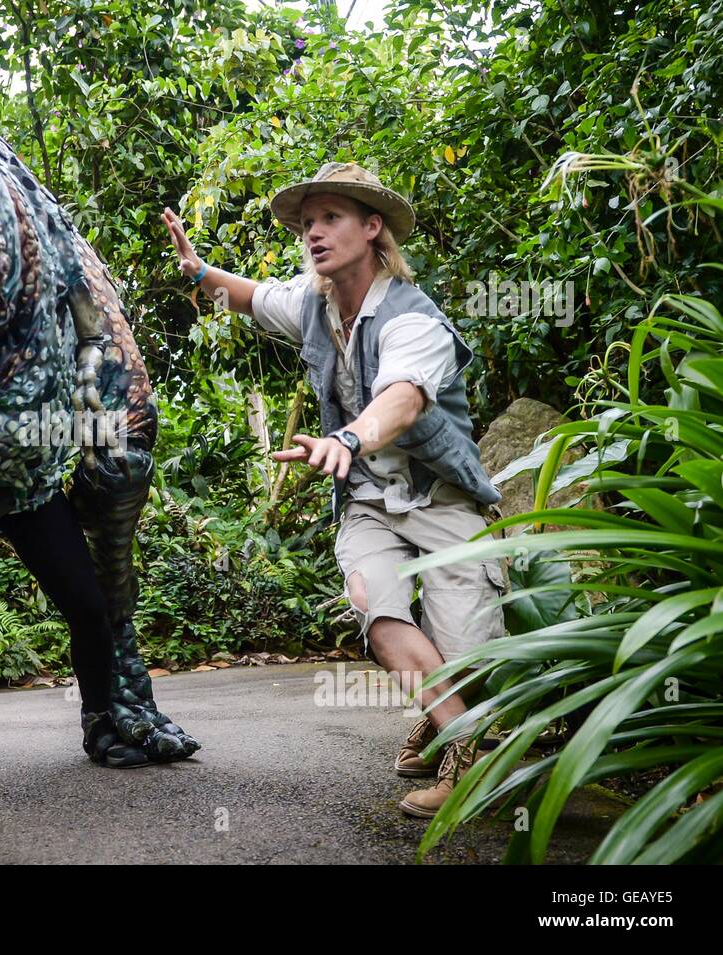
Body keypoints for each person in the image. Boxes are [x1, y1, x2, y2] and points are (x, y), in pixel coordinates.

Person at [161, 161, 505, 817]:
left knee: (469, 655)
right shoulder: (313, 304)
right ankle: (470, 759)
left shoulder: (413, 320)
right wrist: (199, 272)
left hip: (443, 498)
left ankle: (444, 717)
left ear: (372, 227)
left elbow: (401, 400)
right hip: (371, 502)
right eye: (307, 222)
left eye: (330, 218)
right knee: (378, 607)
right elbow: (252, 296)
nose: (313, 233)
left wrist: (346, 439)